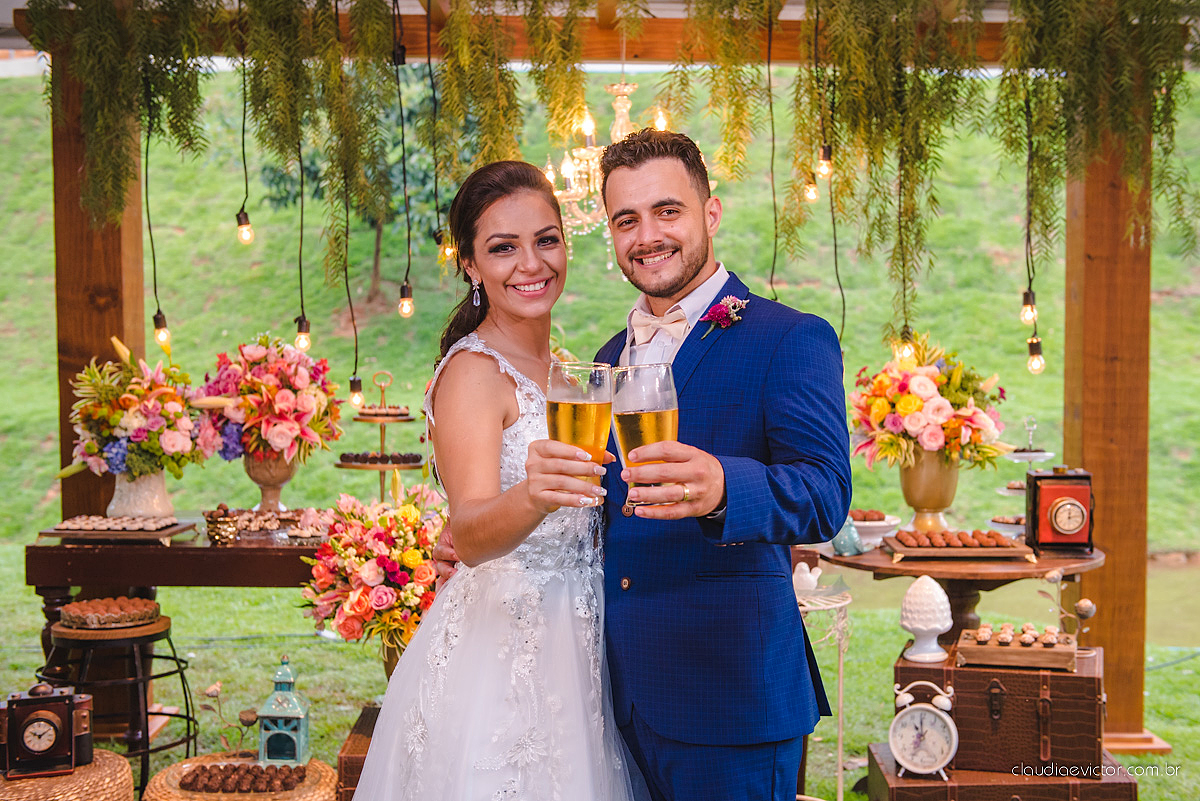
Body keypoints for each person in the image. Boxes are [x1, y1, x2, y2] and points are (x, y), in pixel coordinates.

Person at [437, 130, 852, 801]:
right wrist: (480, 528)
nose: (648, 235)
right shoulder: (604, 357)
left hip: (729, 700)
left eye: (668, 211)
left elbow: (828, 493)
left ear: (709, 214)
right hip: (606, 703)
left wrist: (723, 486)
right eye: (627, 219)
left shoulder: (788, 337)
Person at [351, 160, 639, 801]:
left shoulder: (565, 370)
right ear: (472, 266)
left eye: (546, 239)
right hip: (505, 653)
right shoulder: (475, 373)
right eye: (503, 248)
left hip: (580, 642)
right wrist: (532, 496)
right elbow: (472, 533)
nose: (531, 264)